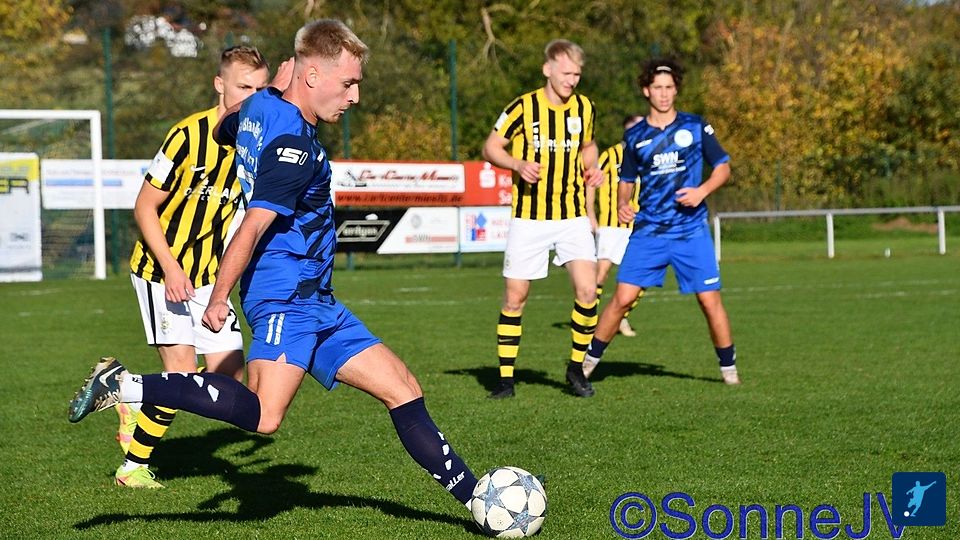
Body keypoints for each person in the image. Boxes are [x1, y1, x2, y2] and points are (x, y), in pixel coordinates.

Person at [69, 18, 480, 509]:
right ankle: (125, 385)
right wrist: (219, 298)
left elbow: (224, 126)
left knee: (403, 388)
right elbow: (252, 226)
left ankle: (477, 498)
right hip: (284, 296)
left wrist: (270, 97)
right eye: (348, 83)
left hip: (317, 298)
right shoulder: (294, 149)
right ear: (311, 75)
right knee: (264, 415)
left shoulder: (261, 106)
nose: (354, 97)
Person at [116, 45, 271, 488]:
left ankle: (141, 392)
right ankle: (133, 467)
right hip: (160, 271)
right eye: (243, 87)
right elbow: (144, 207)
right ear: (220, 84)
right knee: (183, 373)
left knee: (230, 378)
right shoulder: (186, 136)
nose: (252, 98)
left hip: (209, 277)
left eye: (260, 90)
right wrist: (170, 268)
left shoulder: (255, 144)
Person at [581, 58, 741, 385]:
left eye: (669, 87)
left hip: (690, 231)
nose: (664, 94)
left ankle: (730, 372)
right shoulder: (635, 136)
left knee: (709, 301)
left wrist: (702, 191)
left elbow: (723, 168)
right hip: (649, 232)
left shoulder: (695, 126)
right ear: (646, 90)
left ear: (676, 90)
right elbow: (626, 179)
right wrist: (623, 204)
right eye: (658, 88)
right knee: (622, 298)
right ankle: (584, 366)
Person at [482, 39, 604, 399]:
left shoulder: (585, 107)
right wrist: (517, 164)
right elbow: (491, 147)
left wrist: (592, 167)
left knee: (588, 290)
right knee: (515, 298)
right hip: (529, 218)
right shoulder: (523, 107)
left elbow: (589, 147)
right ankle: (506, 380)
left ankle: (576, 369)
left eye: (577, 74)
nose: (572, 80)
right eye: (566, 73)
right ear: (547, 69)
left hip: (572, 215)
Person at [585, 114, 644, 339]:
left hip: (637, 226)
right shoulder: (611, 155)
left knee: (641, 277)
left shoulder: (646, 155)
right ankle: (588, 321)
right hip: (611, 225)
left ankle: (620, 317)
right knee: (601, 274)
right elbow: (592, 182)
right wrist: (590, 213)